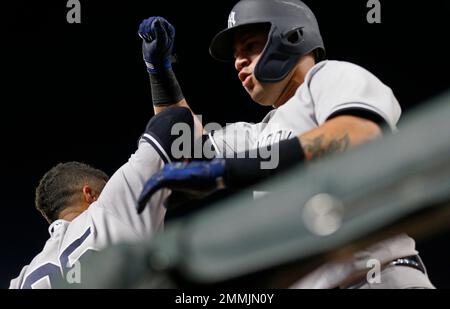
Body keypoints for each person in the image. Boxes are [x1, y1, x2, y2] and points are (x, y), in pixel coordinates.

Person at [135, 0, 435, 289]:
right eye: (237, 54)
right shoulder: (256, 134)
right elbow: (181, 150)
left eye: (250, 46)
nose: (238, 61)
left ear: (291, 37)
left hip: (379, 278)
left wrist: (232, 170)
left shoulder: (329, 76)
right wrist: (160, 73)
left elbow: (358, 133)